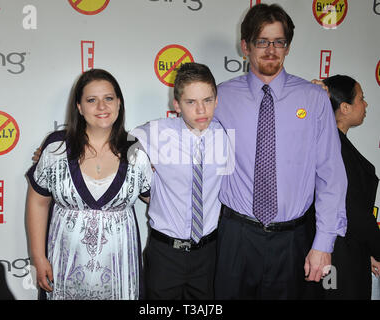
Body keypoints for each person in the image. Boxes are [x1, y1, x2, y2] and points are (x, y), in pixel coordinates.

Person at [213, 3, 347, 299]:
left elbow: (331, 175)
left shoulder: (314, 100)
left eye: (279, 42)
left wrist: (324, 243)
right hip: (236, 236)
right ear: (245, 46)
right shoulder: (220, 97)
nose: (271, 49)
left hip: (294, 241)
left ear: (287, 47)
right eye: (262, 41)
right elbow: (192, 149)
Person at [26, 69, 152, 300]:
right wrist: (38, 257)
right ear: (79, 107)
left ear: (119, 103)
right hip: (64, 268)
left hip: (120, 275)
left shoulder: (137, 151)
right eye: (92, 100)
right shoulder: (56, 149)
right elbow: (38, 202)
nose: (102, 107)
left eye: (109, 98)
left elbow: (155, 198)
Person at [131, 62, 231, 299]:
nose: (201, 110)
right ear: (176, 105)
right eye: (190, 102)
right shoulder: (155, 132)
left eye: (207, 100)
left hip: (209, 253)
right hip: (165, 253)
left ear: (216, 101)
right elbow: (110, 145)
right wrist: (61, 145)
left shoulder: (227, 134)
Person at [308, 75, 380, 299]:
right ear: (345, 108)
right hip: (339, 253)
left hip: (349, 251)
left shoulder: (337, 144)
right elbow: (354, 210)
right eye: (361, 99)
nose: (366, 104)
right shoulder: (335, 149)